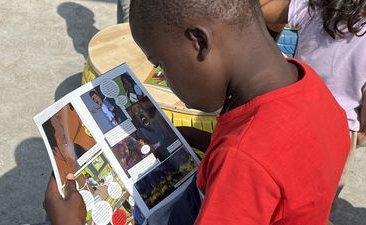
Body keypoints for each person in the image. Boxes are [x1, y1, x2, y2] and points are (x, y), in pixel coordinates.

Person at [44, 1, 350, 225]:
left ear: (200, 42)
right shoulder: (311, 88)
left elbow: (252, 164)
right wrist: (209, 139)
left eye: (160, 64)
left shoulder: (243, 161)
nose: (162, 75)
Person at [260, 0, 366, 202]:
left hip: (292, 111)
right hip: (339, 130)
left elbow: (260, 11)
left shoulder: (316, 7)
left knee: (276, 192)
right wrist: (361, 133)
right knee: (314, 202)